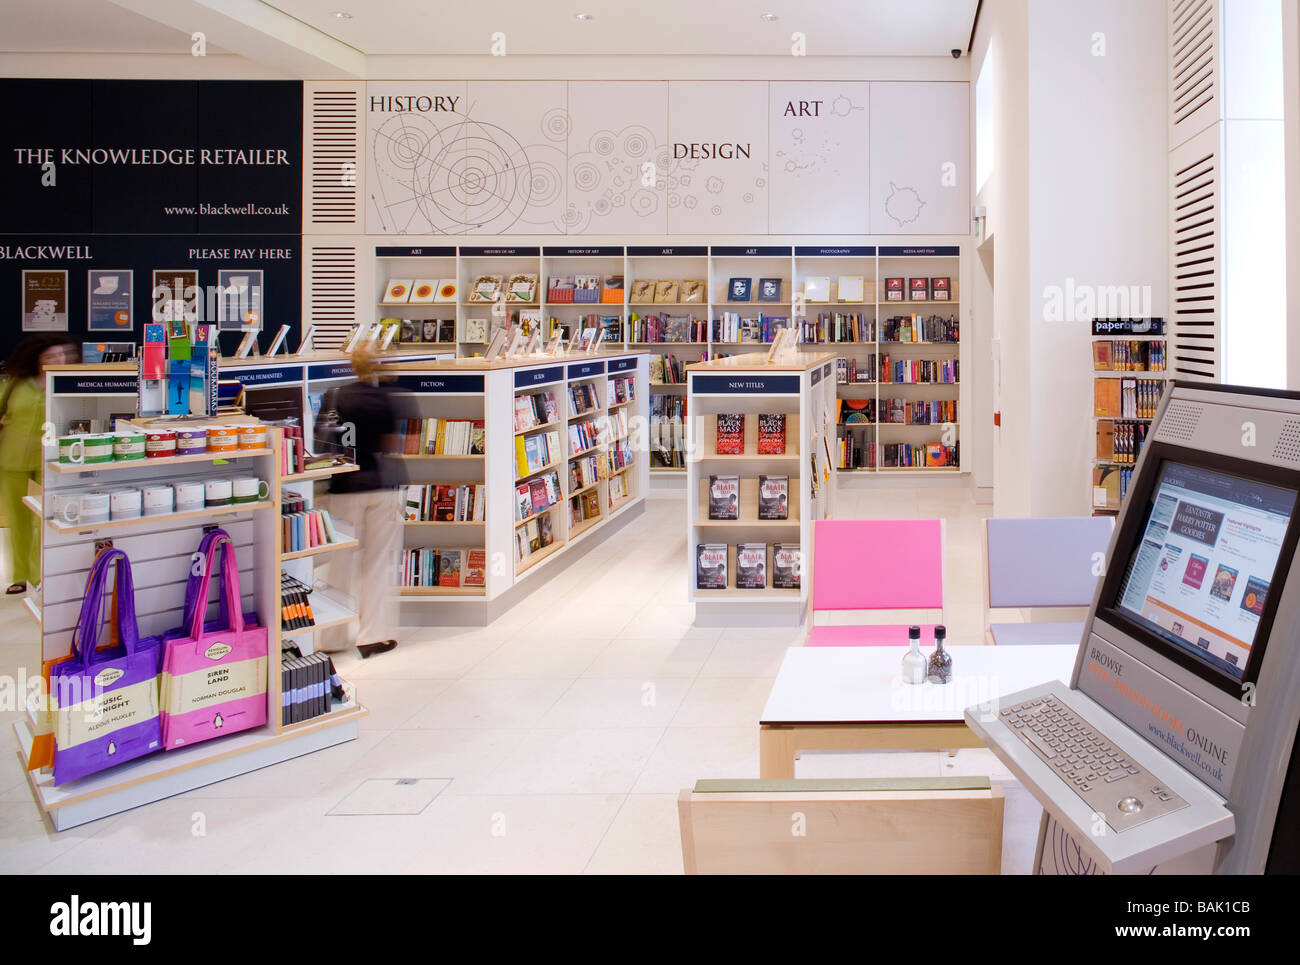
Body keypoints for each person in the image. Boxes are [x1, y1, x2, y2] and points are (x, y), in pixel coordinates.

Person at [318, 343, 401, 658]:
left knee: (339, 562)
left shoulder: (334, 397)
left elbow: (323, 440)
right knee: (377, 563)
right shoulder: (384, 398)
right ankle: (373, 635)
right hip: (381, 485)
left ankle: (331, 636)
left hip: (344, 486)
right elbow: (392, 442)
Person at [0, 335, 79, 594]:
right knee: (18, 520)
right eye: (51, 356)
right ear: (37, 358)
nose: (59, 360)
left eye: (62, 355)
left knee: (42, 518)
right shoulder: (16, 384)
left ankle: (39, 573)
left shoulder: (68, 383)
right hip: (12, 458)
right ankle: (20, 575)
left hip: (49, 460)